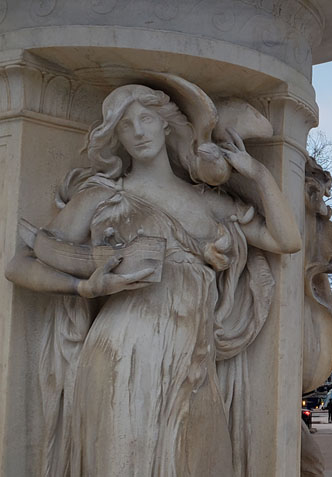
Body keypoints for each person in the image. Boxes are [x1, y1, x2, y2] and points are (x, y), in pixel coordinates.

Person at [5, 83, 302, 476]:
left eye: (146, 118)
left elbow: (286, 240)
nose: (138, 131)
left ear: (166, 125)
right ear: (115, 136)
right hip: (122, 352)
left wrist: (259, 174)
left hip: (194, 356)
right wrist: (84, 287)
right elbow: (19, 265)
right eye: (125, 125)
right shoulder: (102, 197)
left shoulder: (204, 200)